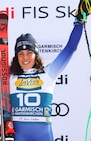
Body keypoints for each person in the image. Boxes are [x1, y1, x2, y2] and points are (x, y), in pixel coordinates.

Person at [7, 1, 90, 141]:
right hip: (18, 135)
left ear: (36, 55)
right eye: (21, 54)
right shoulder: (10, 76)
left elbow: (70, 48)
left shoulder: (49, 73)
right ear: (16, 57)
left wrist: (79, 22)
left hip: (43, 135)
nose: (25, 58)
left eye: (29, 53)